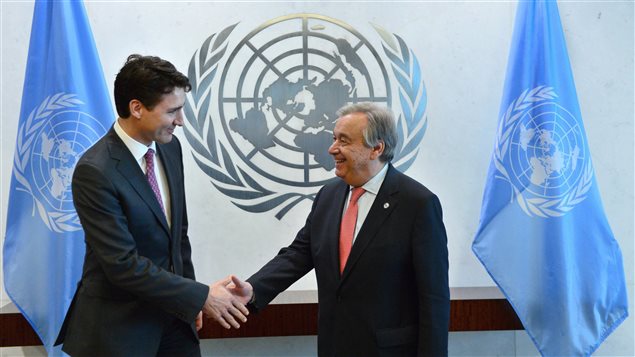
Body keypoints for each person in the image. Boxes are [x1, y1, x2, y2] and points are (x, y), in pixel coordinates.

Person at [55, 54, 248, 357]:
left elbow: (178, 238)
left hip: (174, 324)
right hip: (119, 333)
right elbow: (122, 265)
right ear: (137, 108)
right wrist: (199, 296)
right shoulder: (95, 170)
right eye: (173, 111)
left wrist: (188, 300)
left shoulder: (170, 150)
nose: (181, 121)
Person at [230, 102, 450, 356]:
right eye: (334, 139)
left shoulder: (417, 204)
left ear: (376, 148)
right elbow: (298, 254)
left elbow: (434, 298)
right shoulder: (329, 195)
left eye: (343, 141)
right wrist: (253, 289)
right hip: (334, 346)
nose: (332, 148)